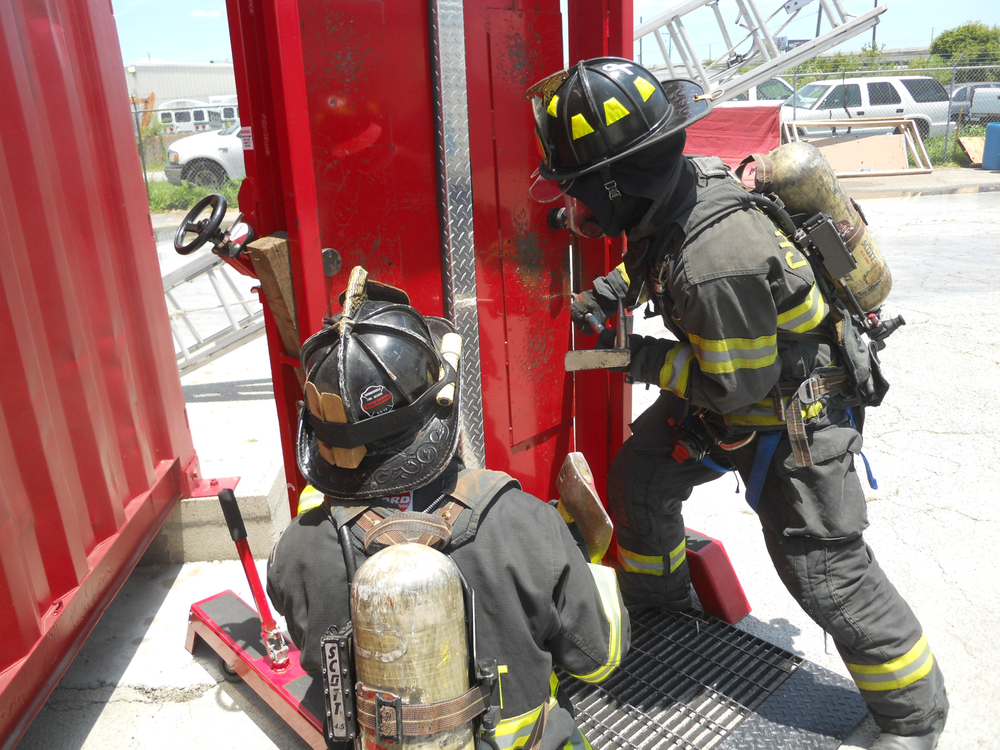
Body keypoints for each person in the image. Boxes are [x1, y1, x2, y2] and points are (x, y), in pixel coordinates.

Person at [527, 58, 947, 750]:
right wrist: (612, 293)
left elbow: (735, 387)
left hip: (794, 414)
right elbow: (650, 251)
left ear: (613, 183)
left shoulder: (713, 262)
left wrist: (634, 358)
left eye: (580, 193)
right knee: (642, 475)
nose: (579, 210)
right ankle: (659, 611)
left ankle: (915, 717)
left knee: (823, 571)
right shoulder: (681, 182)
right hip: (737, 387)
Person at [266, 268, 629, 750]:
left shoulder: (299, 550)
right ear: (441, 409)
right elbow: (599, 656)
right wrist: (582, 561)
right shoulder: (524, 523)